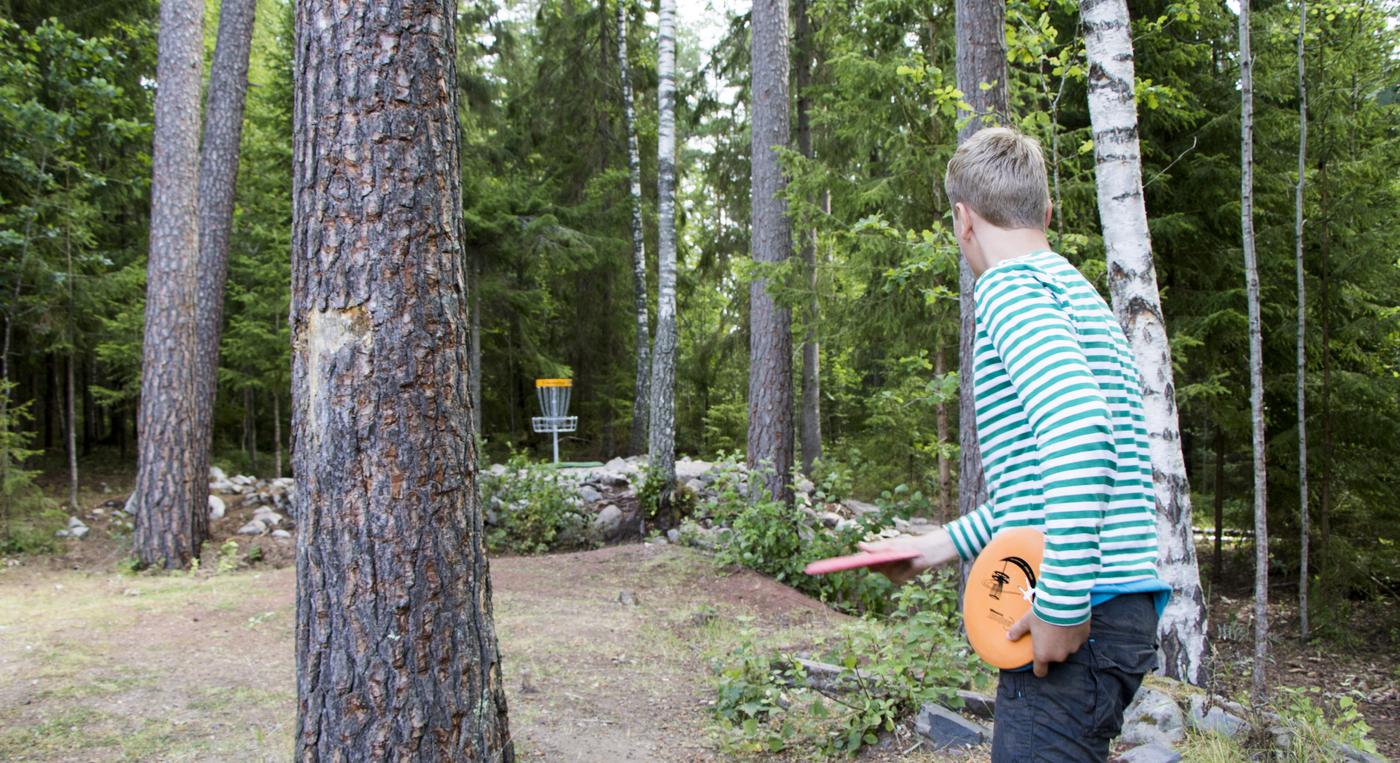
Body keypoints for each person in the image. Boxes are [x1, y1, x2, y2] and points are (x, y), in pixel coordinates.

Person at [860, 127, 1171, 762]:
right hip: (1118, 608)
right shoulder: (1077, 296)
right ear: (1047, 214)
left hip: (1074, 612)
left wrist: (1059, 600)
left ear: (961, 220)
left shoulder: (1008, 290)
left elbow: (1083, 431)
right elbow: (1043, 488)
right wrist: (935, 546)